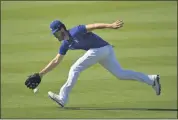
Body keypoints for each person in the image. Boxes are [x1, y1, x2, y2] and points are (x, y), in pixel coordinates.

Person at [38, 19, 161, 107]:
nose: (56, 35)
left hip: (102, 49)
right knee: (120, 74)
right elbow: (56, 60)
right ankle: (151, 80)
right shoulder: (65, 44)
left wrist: (111, 25)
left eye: (56, 32)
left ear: (62, 29)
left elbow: (94, 25)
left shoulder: (76, 30)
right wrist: (40, 74)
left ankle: (63, 98)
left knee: (75, 68)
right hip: (104, 51)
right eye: (54, 34)